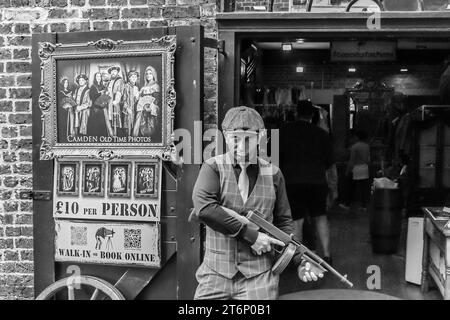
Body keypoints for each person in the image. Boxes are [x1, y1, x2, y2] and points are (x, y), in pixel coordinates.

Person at [191, 106, 324, 300]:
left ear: (261, 137)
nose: (242, 147)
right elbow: (205, 209)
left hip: (259, 276)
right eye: (235, 139)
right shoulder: (213, 168)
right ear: (225, 137)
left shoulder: (274, 174)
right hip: (215, 273)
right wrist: (251, 235)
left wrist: (299, 260)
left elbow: (283, 223)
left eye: (248, 140)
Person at [280, 100, 334, 265]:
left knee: (297, 220)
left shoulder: (283, 131)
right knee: (320, 217)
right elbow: (330, 164)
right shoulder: (322, 134)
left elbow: (273, 159)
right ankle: (326, 256)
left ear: (296, 113)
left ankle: (297, 258)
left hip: (292, 182)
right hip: (317, 182)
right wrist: (333, 186)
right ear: (313, 115)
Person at [346, 129, 371, 210]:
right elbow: (368, 160)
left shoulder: (355, 147)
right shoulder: (367, 146)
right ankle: (364, 205)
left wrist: (348, 170)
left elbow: (352, 160)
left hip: (356, 168)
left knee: (351, 187)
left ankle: (348, 204)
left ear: (357, 137)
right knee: (364, 188)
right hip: (364, 168)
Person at [133, 66, 160, 138]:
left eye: (150, 73)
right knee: (142, 126)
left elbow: (156, 100)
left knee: (151, 127)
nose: (148, 75)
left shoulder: (156, 86)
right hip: (142, 110)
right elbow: (140, 100)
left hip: (151, 110)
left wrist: (150, 107)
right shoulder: (143, 87)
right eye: (147, 74)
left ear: (153, 75)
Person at [87, 72, 113, 137]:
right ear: (95, 78)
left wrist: (106, 94)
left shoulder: (103, 86)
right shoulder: (93, 87)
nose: (98, 78)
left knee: (102, 124)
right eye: (97, 77)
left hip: (102, 107)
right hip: (95, 108)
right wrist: (100, 94)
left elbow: (106, 96)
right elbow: (91, 96)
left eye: (99, 77)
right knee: (95, 125)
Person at [106, 66, 125, 136]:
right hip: (109, 102)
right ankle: (111, 135)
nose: (113, 73)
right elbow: (108, 91)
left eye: (115, 71)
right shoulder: (110, 81)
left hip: (115, 103)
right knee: (110, 119)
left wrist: (116, 100)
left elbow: (119, 92)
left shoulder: (120, 80)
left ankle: (117, 135)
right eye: (112, 72)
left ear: (117, 72)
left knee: (116, 119)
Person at [122, 70, 140, 136]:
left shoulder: (136, 87)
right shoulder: (126, 86)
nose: (134, 78)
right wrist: (127, 108)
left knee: (134, 126)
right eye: (132, 77)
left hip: (134, 109)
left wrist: (137, 97)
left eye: (135, 77)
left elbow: (136, 100)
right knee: (127, 127)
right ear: (129, 78)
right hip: (128, 109)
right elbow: (123, 99)